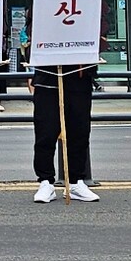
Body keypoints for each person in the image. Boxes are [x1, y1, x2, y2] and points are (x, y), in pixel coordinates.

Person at [30, 65, 99, 203]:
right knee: (45, 133)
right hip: (48, 79)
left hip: (79, 78)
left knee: (80, 133)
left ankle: (75, 182)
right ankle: (46, 182)